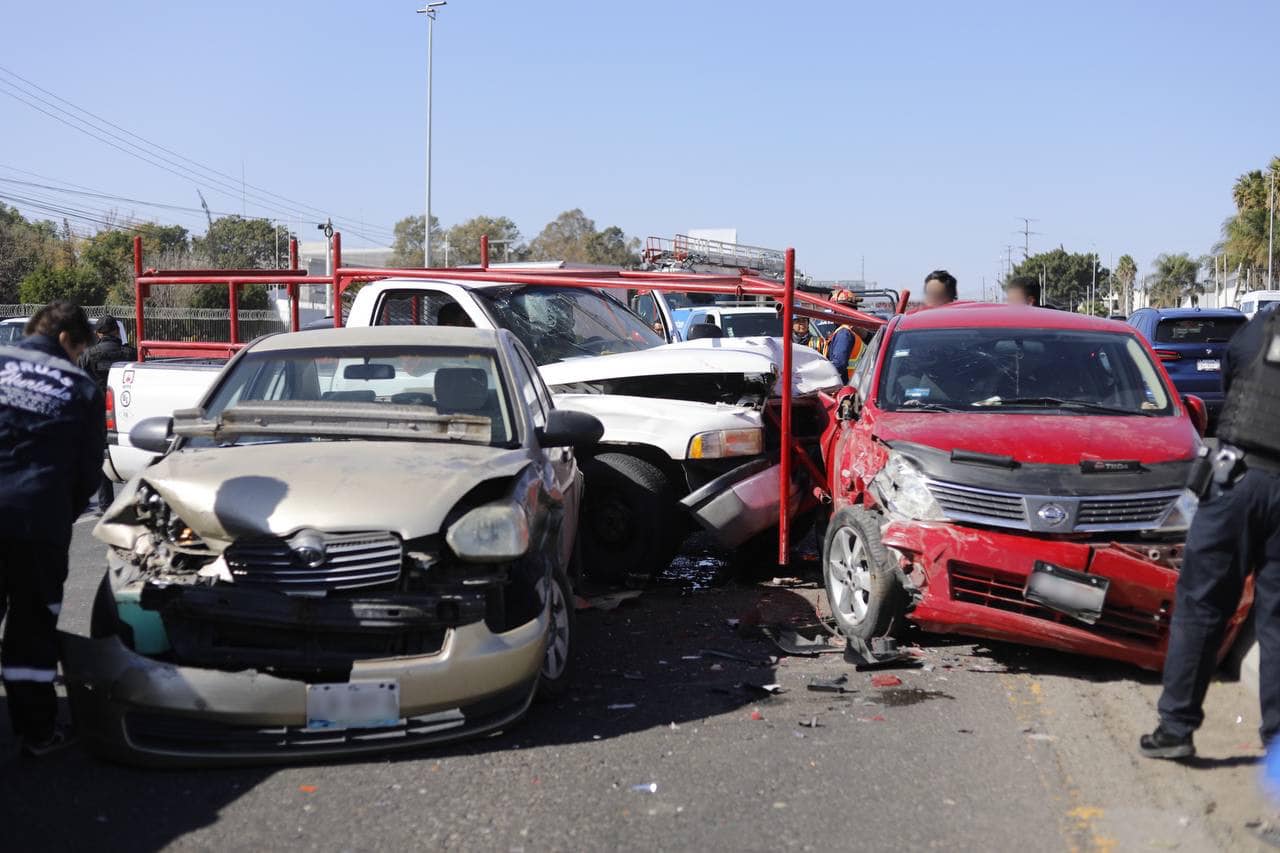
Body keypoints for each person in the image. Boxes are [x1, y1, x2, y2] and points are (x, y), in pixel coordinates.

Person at [1140, 305, 1280, 760]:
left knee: (1201, 606)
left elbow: (1232, 381)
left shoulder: (1259, 328)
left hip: (1238, 479)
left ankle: (1176, 728)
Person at [0, 301, 103, 756]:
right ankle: (37, 733)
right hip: (36, 521)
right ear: (66, 339)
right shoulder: (80, 386)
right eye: (81, 348)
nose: (80, 357)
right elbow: (88, 472)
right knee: (31, 627)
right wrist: (63, 512)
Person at [78, 315, 135, 512]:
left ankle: (106, 503)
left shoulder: (88, 355)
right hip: (128, 413)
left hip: (99, 413)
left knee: (102, 457)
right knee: (131, 454)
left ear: (98, 334)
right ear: (116, 332)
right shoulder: (130, 353)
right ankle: (134, 502)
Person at [826, 290, 867, 382]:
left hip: (846, 386)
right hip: (856, 384)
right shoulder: (854, 330)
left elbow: (839, 365)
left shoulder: (844, 334)